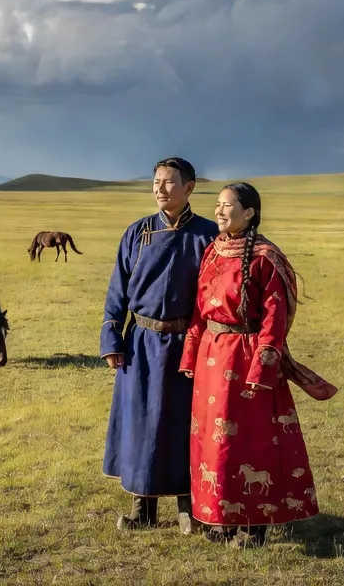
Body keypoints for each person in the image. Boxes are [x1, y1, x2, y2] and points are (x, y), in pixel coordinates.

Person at [178, 182, 324, 546]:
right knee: (212, 442)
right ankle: (221, 518)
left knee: (248, 444)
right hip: (212, 358)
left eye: (227, 206)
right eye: (217, 205)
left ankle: (252, 525)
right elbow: (199, 309)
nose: (219, 211)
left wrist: (264, 367)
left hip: (246, 357)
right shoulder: (213, 250)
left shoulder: (265, 257)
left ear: (249, 213)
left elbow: (274, 319)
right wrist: (191, 355)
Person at [101, 157, 221, 533]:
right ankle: (143, 510)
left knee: (186, 425)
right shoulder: (137, 233)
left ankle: (191, 509)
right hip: (140, 343)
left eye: (169, 182)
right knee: (140, 423)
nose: (159, 188)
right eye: (156, 181)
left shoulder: (208, 236)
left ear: (189, 187)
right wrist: (112, 338)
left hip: (190, 343)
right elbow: (117, 290)